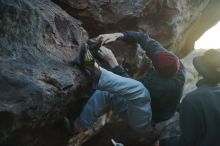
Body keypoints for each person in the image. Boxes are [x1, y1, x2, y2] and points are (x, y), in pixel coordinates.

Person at [97, 31, 186, 123]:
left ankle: (83, 125)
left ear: (158, 70)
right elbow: (143, 38)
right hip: (165, 106)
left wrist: (111, 60)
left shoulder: (159, 86)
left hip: (148, 117)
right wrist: (117, 35)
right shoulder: (175, 63)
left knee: (105, 90)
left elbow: (128, 86)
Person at [71, 43, 152, 135]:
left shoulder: (165, 85)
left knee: (117, 89)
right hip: (140, 108)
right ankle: (79, 123)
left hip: (145, 119)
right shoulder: (164, 72)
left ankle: (92, 66)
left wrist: (112, 61)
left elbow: (132, 89)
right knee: (112, 89)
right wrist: (120, 35)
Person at [160, 49, 220, 146]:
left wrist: (162, 143)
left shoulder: (192, 100)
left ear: (198, 71)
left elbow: (187, 142)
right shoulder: (193, 100)